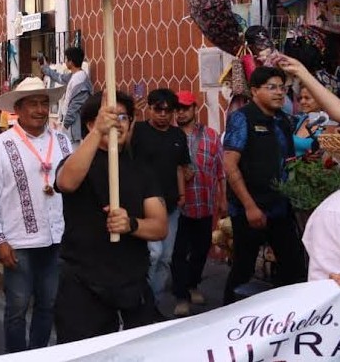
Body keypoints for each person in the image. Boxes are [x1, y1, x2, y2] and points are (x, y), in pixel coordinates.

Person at [54, 91, 167, 342]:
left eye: (123, 117)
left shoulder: (143, 170)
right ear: (91, 123)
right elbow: (67, 183)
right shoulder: (77, 163)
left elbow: (160, 227)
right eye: (109, 117)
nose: (117, 123)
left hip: (132, 282)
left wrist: (132, 224)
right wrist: (97, 134)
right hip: (83, 284)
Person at [0, 77, 70, 351]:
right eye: (33, 103)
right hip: (19, 242)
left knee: (48, 304)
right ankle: (16, 356)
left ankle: (40, 354)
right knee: (17, 308)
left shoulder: (63, 141)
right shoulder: (0, 146)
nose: (40, 110)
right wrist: (0, 240)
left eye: (44, 103)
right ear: (17, 109)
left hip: (57, 238)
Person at [222, 66, 306, 304]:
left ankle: (285, 319)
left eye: (282, 87)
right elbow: (230, 165)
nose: (279, 92)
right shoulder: (242, 118)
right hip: (250, 210)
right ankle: (228, 320)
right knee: (243, 270)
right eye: (272, 87)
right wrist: (249, 207)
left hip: (280, 208)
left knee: (294, 267)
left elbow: (288, 161)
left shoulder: (282, 120)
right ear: (255, 91)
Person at [170, 90, 225, 317]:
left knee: (202, 249)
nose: (181, 113)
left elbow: (221, 170)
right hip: (179, 206)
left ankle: (193, 285)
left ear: (195, 108)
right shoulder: (170, 136)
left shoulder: (212, 136)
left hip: (205, 203)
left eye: (185, 108)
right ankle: (181, 295)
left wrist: (223, 198)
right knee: (178, 252)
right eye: (178, 109)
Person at [131, 88, 190, 299]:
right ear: (150, 109)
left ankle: (153, 302)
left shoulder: (178, 135)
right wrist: (132, 118)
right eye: (158, 110)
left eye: (168, 111)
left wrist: (182, 196)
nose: (163, 114)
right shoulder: (138, 130)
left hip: (172, 204)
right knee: (153, 254)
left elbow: (180, 167)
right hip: (145, 203)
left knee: (166, 257)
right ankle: (141, 301)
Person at [39, 47, 92, 147]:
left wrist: (65, 125)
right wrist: (45, 68)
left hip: (74, 128)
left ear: (71, 62)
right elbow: (59, 77)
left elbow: (74, 107)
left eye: (66, 59)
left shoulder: (80, 81)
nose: (65, 62)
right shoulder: (73, 76)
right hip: (70, 127)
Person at [293, 85, 329, 157]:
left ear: (320, 100)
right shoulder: (301, 119)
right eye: (300, 98)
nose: (302, 101)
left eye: (307, 98)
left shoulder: (328, 125)